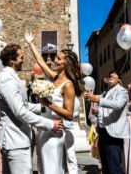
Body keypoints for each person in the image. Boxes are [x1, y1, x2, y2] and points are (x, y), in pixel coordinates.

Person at [0, 43, 63, 174]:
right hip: (15, 141)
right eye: (21, 57)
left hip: (18, 140)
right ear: (11, 60)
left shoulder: (12, 77)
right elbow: (20, 112)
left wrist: (47, 108)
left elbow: (26, 106)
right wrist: (49, 124)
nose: (23, 60)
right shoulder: (7, 79)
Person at [25, 32, 85, 174]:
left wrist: (48, 104)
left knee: (53, 170)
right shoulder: (54, 77)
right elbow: (40, 61)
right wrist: (31, 43)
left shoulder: (68, 85)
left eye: (59, 59)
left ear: (66, 63)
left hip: (56, 132)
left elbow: (69, 115)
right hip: (45, 129)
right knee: (46, 169)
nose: (54, 61)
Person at [84, 70, 129, 174]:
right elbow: (106, 107)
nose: (110, 76)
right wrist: (98, 110)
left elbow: (118, 105)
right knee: (105, 165)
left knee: (114, 166)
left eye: (114, 75)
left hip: (113, 131)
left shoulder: (122, 91)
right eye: (109, 76)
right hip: (103, 131)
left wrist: (98, 100)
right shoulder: (106, 92)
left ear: (119, 79)